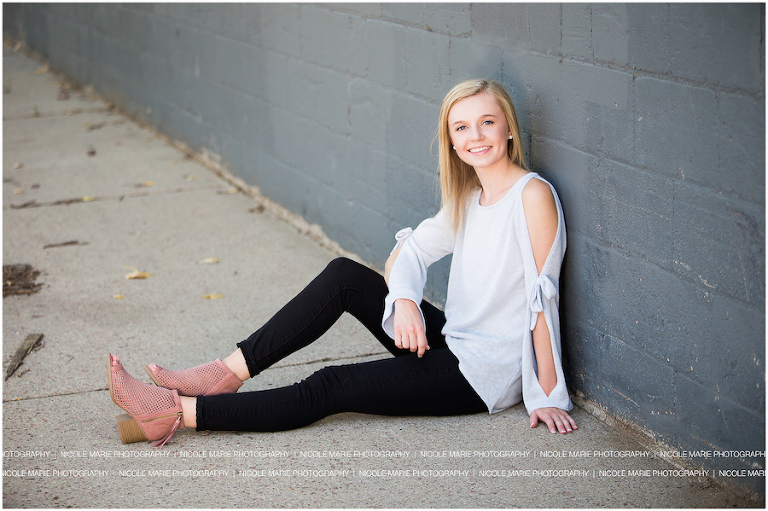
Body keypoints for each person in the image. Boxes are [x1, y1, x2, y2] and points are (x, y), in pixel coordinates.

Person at [108, 79, 578, 449]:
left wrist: (549, 394)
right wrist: (405, 300)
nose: (475, 136)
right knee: (344, 276)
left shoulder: (531, 195)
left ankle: (176, 414)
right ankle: (223, 375)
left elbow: (542, 300)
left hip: (481, 375)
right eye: (462, 128)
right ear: (451, 142)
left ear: (509, 128)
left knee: (332, 385)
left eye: (487, 122)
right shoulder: (471, 197)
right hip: (455, 340)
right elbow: (410, 252)